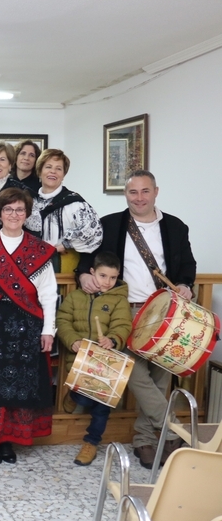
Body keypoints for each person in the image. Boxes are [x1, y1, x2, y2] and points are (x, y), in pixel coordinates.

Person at [76, 170, 196, 469]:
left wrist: (185, 284)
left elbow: (188, 265)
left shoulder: (176, 227)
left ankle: (144, 439)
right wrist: (82, 274)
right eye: (133, 192)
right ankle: (171, 429)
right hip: (123, 309)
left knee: (160, 373)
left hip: (164, 310)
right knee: (132, 370)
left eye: (145, 191)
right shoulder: (111, 224)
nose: (139, 198)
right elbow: (87, 257)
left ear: (156, 191)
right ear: (125, 194)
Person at [0, 188, 57, 464]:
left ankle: (9, 441)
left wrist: (48, 330)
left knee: (20, 386)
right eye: (8, 209)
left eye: (19, 210)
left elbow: (48, 293)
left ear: (27, 214)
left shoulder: (39, 250)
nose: (13, 214)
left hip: (26, 329)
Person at [56, 251, 132, 466]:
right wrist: (72, 341)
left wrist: (114, 340)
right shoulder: (75, 297)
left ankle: (91, 442)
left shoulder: (119, 300)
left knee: (101, 405)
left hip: (106, 363)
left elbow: (123, 325)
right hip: (80, 359)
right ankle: (73, 397)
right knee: (82, 395)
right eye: (102, 276)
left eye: (112, 277)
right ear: (92, 273)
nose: (107, 282)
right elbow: (63, 320)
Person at [24, 149, 103, 273]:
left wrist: (65, 245)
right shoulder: (28, 201)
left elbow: (94, 231)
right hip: (30, 265)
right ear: (39, 171)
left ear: (63, 174)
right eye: (48, 167)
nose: (53, 171)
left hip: (62, 267)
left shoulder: (75, 203)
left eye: (58, 168)